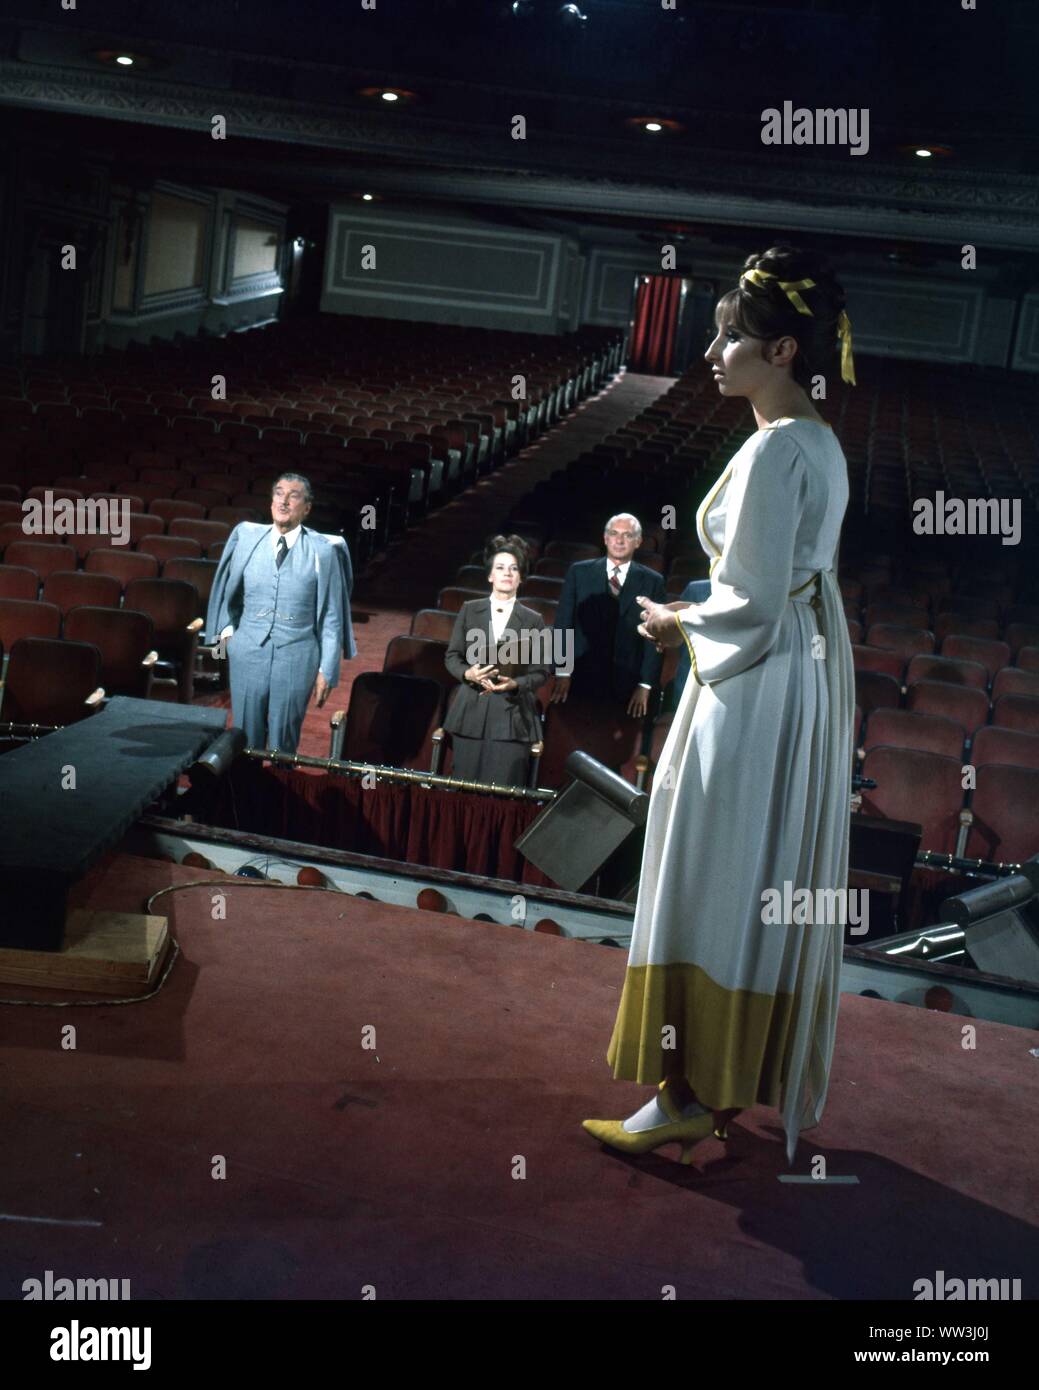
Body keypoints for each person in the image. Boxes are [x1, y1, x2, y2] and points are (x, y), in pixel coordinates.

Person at [583, 245, 857, 1167]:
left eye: (732, 337)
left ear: (781, 350)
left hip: (748, 682)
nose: (714, 351)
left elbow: (747, 598)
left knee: (708, 861)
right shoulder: (814, 440)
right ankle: (714, 1082)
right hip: (789, 678)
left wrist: (672, 623)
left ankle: (682, 1092)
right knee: (745, 866)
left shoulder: (781, 448)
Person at [204, 472, 352, 754]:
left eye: (293, 496)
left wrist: (327, 670)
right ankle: (246, 797)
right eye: (278, 494)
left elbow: (332, 618)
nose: (283, 502)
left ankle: (277, 793)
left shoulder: (324, 551)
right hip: (248, 652)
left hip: (297, 655)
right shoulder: (246, 539)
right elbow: (227, 590)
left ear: (307, 508)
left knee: (284, 741)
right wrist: (228, 636)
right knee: (244, 740)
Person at [549, 514, 666, 763]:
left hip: (626, 684)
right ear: (605, 538)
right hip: (580, 679)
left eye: (627, 535)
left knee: (612, 757)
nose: (619, 540)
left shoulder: (653, 582)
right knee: (576, 748)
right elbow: (563, 625)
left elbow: (655, 638)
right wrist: (562, 671)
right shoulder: (579, 573)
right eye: (614, 533)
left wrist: (645, 685)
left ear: (638, 542)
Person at [443, 534, 551, 786]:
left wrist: (514, 684)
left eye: (514, 569)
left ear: (521, 577)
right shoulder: (470, 609)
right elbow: (452, 657)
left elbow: (541, 672)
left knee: (502, 792)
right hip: (471, 711)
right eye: (500, 568)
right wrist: (468, 674)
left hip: (512, 717)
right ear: (490, 575)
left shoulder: (533, 619)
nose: (507, 573)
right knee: (463, 791)